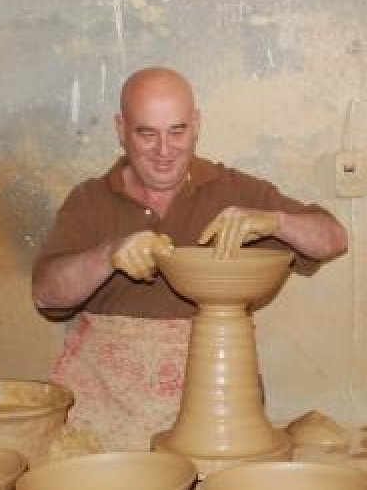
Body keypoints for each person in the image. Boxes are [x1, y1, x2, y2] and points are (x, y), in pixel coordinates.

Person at [32, 67, 348, 451]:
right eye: (147, 133)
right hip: (103, 411)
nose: (164, 151)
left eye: (177, 131)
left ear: (196, 125)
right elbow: (46, 294)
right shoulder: (90, 200)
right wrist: (107, 254)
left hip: (218, 411)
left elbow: (332, 238)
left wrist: (275, 222)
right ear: (120, 129)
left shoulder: (234, 190)